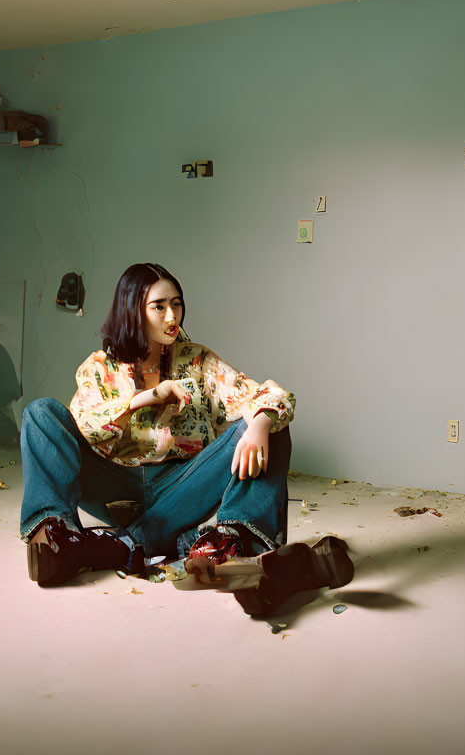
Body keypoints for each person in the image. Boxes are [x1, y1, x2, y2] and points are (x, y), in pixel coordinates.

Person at [18, 262, 352, 615]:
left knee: (268, 423)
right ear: (132, 311)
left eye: (176, 304)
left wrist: (258, 425)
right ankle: (55, 537)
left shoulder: (198, 360)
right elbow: (87, 425)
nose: (171, 316)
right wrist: (146, 398)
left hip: (182, 487)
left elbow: (271, 396)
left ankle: (234, 540)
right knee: (40, 412)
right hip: (114, 487)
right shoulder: (99, 367)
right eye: (158, 306)